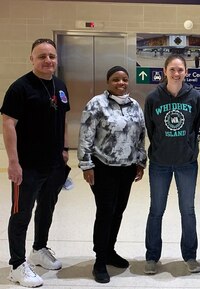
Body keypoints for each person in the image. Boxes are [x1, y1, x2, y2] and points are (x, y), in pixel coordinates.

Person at [1, 38, 70, 287]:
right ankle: (17, 265)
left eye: (51, 56)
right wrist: (13, 162)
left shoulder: (60, 86)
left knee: (46, 209)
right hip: (27, 165)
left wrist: (63, 149)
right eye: (42, 56)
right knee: (21, 214)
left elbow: (62, 118)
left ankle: (39, 249)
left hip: (53, 165)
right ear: (31, 58)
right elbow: (8, 124)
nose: (48, 60)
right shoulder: (20, 88)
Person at [77, 66, 147, 283]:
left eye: (124, 79)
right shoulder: (96, 104)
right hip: (103, 167)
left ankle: (110, 250)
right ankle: (99, 260)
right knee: (106, 211)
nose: (121, 83)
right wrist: (86, 164)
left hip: (127, 168)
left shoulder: (134, 105)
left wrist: (140, 161)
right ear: (108, 82)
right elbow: (85, 135)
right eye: (116, 79)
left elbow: (140, 135)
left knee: (118, 210)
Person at [143, 54, 200, 274]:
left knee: (187, 210)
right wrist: (159, 148)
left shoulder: (195, 97)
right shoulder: (153, 98)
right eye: (172, 69)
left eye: (180, 70)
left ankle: (190, 256)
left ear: (186, 72)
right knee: (156, 210)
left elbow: (197, 127)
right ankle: (152, 257)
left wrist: (191, 149)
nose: (176, 73)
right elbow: (150, 128)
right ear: (165, 71)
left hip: (186, 163)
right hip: (160, 162)